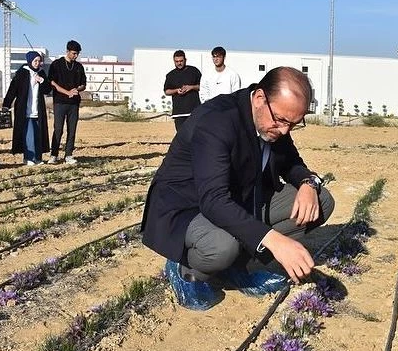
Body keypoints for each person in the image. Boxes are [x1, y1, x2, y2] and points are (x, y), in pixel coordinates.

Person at [142, 66, 334, 310]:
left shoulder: (273, 120)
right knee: (221, 247)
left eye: (294, 124)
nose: (285, 130)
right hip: (188, 206)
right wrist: (273, 240)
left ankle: (236, 265)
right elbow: (213, 200)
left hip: (240, 196)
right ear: (260, 98)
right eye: (282, 121)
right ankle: (185, 267)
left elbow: (292, 162)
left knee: (321, 201)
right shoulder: (217, 121)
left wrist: (308, 183)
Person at [2, 51, 52, 166]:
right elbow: (12, 89)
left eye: (39, 61)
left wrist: (42, 81)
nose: (37, 63)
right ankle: (28, 158)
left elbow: (47, 90)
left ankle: (38, 158)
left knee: (38, 135)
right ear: (29, 61)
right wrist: (6, 104)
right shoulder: (22, 73)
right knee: (29, 135)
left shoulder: (41, 73)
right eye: (35, 61)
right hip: (25, 110)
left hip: (38, 110)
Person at [47, 40, 86, 164]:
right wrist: (66, 92)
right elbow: (52, 82)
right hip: (59, 102)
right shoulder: (56, 64)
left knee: (72, 129)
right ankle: (54, 154)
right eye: (74, 53)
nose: (75, 56)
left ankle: (68, 154)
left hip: (74, 104)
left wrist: (77, 89)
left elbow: (83, 84)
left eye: (77, 54)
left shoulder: (79, 67)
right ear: (67, 51)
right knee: (58, 129)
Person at [163, 50, 201, 132]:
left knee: (194, 135)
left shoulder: (194, 71)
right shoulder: (170, 75)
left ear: (185, 60)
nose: (179, 63)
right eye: (177, 61)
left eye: (181, 61)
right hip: (178, 113)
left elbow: (202, 86)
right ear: (174, 61)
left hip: (193, 111)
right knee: (181, 137)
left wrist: (191, 87)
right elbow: (166, 91)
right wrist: (176, 90)